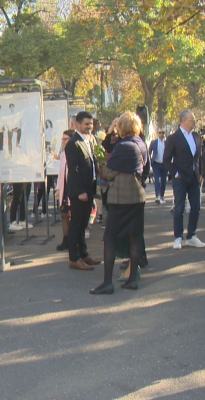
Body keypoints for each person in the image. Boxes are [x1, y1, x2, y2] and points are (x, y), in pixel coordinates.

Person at [90, 112, 147, 294]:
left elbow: (108, 173)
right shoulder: (140, 143)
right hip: (137, 196)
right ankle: (132, 280)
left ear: (121, 127)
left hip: (121, 197)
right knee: (134, 237)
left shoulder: (123, 146)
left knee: (110, 237)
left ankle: (107, 282)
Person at [163, 110, 205, 250]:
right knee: (179, 207)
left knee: (196, 206)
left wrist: (201, 174)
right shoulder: (173, 138)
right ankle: (178, 237)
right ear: (184, 121)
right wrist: (175, 173)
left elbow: (199, 158)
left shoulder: (196, 136)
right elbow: (166, 159)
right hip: (180, 177)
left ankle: (192, 235)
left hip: (194, 177)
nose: (194, 122)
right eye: (192, 119)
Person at [65, 111, 101, 270]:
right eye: (86, 124)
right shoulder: (73, 143)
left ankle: (83, 254)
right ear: (77, 124)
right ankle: (74, 258)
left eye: (91, 124)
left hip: (89, 188)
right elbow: (73, 170)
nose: (89, 127)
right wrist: (80, 191)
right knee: (76, 225)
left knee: (83, 224)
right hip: (79, 192)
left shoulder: (88, 140)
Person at [56, 130, 75, 251]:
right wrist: (58, 189)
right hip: (64, 187)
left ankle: (74, 240)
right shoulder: (63, 154)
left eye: (66, 139)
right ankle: (66, 239)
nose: (63, 141)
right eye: (62, 139)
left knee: (74, 216)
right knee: (64, 214)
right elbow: (60, 173)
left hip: (73, 187)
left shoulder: (76, 152)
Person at [149, 129, 168, 204]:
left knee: (163, 181)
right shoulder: (154, 142)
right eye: (160, 133)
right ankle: (158, 196)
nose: (161, 134)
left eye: (162, 133)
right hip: (156, 164)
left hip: (164, 164)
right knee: (157, 180)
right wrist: (151, 161)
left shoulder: (166, 143)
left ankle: (162, 196)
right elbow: (149, 152)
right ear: (158, 133)